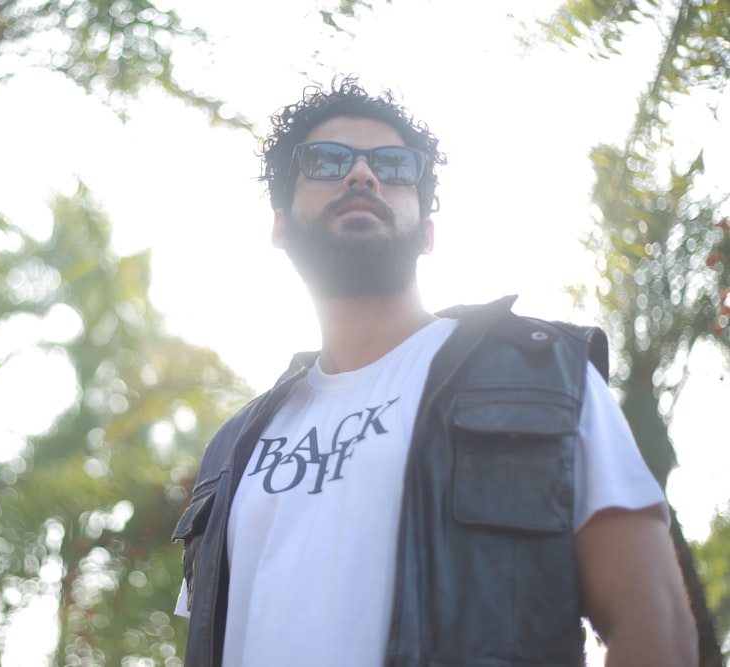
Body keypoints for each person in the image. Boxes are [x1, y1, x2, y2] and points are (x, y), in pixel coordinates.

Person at [172, 75, 697, 667]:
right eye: (326, 161)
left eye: (394, 167)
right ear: (281, 224)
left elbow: (651, 624)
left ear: (426, 231)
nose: (363, 175)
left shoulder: (540, 373)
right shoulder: (229, 452)